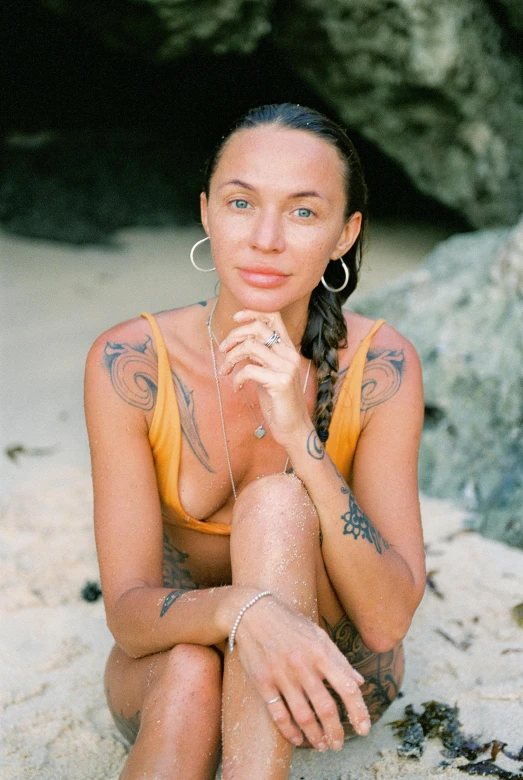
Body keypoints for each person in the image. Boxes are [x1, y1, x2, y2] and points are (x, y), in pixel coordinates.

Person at [84, 103, 426, 780]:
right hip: (184, 649)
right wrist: (247, 611)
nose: (265, 238)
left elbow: (386, 620)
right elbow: (127, 612)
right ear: (207, 212)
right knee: (185, 677)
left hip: (329, 673)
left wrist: (300, 435)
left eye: (302, 211)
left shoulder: (380, 365)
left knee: (274, 502)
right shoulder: (131, 364)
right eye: (242, 203)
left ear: (343, 233)